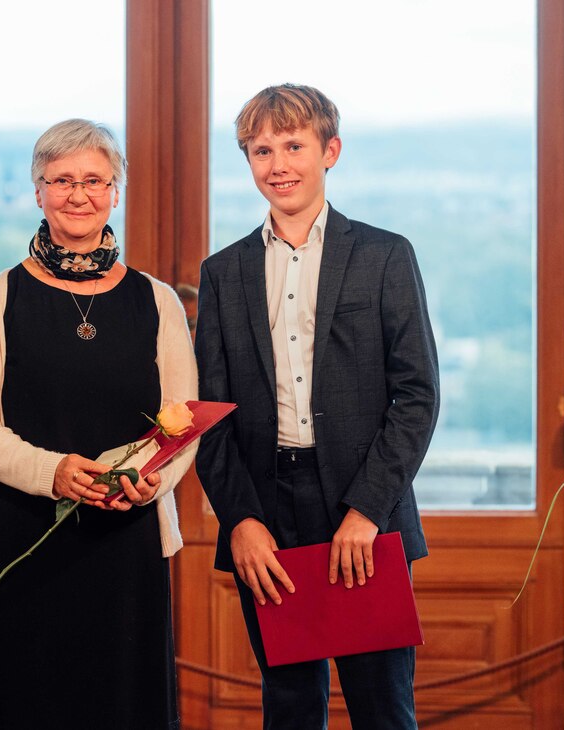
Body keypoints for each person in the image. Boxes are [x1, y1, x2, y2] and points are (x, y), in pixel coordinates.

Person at [194, 84, 439, 729]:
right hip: (268, 514)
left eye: (294, 146)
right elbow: (210, 415)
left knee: (383, 711)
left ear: (330, 151)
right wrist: (240, 519)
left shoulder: (385, 256)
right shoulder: (223, 273)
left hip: (364, 510)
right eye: (261, 150)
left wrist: (368, 510)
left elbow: (417, 395)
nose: (278, 165)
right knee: (290, 709)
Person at [0, 119, 197, 730]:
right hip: (18, 535)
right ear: (38, 191)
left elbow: (182, 422)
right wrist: (53, 472)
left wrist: (153, 481)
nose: (78, 194)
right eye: (62, 180)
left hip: (127, 538)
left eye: (94, 180)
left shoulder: (158, 301)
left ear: (116, 190)